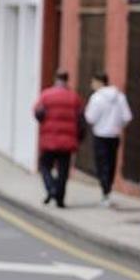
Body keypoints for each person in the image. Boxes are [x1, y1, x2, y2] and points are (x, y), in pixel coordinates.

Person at [34, 69, 83, 209]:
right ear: (67, 80)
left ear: (55, 79)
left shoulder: (46, 95)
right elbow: (81, 120)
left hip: (49, 139)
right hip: (67, 141)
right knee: (63, 171)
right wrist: (79, 138)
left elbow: (38, 114)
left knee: (44, 166)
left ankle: (51, 188)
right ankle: (60, 199)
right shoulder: (74, 97)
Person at [84, 71, 132, 207]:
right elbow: (127, 117)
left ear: (99, 82)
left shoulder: (96, 98)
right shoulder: (120, 97)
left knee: (101, 165)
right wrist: (117, 126)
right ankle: (107, 191)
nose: (91, 85)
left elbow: (90, 118)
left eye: (93, 82)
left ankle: (105, 192)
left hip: (100, 136)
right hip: (114, 136)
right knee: (111, 164)